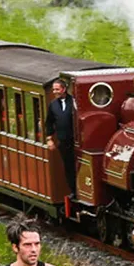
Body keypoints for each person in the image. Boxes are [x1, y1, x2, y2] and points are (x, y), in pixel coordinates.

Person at [43, 79, 77, 208]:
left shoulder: (73, 102)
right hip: (63, 141)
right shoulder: (53, 105)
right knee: (68, 167)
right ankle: (73, 190)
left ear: (64, 89)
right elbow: (49, 122)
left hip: (75, 141)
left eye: (57, 89)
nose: (55, 92)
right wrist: (49, 138)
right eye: (53, 89)